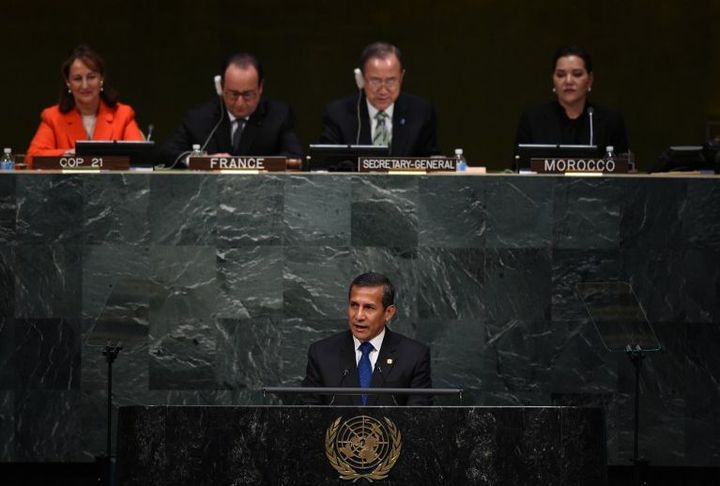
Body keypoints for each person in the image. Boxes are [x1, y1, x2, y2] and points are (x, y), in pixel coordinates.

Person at [302, 272, 432, 406]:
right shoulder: (321, 353)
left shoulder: (414, 356)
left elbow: (418, 418)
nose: (358, 316)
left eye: (369, 308)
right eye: (354, 305)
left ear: (388, 313)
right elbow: (309, 414)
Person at [160, 52, 303, 166]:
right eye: (233, 94)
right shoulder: (199, 117)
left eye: (247, 95)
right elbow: (166, 153)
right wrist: (201, 161)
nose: (239, 103)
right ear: (221, 88)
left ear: (260, 88)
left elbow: (296, 158)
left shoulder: (279, 116)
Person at [25, 45, 144, 168]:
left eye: (91, 77)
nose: (85, 85)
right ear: (68, 82)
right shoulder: (52, 117)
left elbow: (139, 157)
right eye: (77, 79)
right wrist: (69, 155)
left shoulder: (123, 114)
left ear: (101, 78)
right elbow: (32, 157)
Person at [319, 42, 440, 157]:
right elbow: (327, 166)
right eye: (375, 81)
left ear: (401, 77)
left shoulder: (421, 113)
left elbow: (431, 165)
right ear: (361, 79)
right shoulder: (338, 114)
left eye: (391, 81)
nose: (383, 90)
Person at [515, 46, 629, 159]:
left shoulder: (610, 121)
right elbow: (518, 171)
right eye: (561, 75)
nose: (568, 81)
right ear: (553, 79)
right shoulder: (533, 120)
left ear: (590, 80)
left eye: (577, 74)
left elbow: (623, 171)